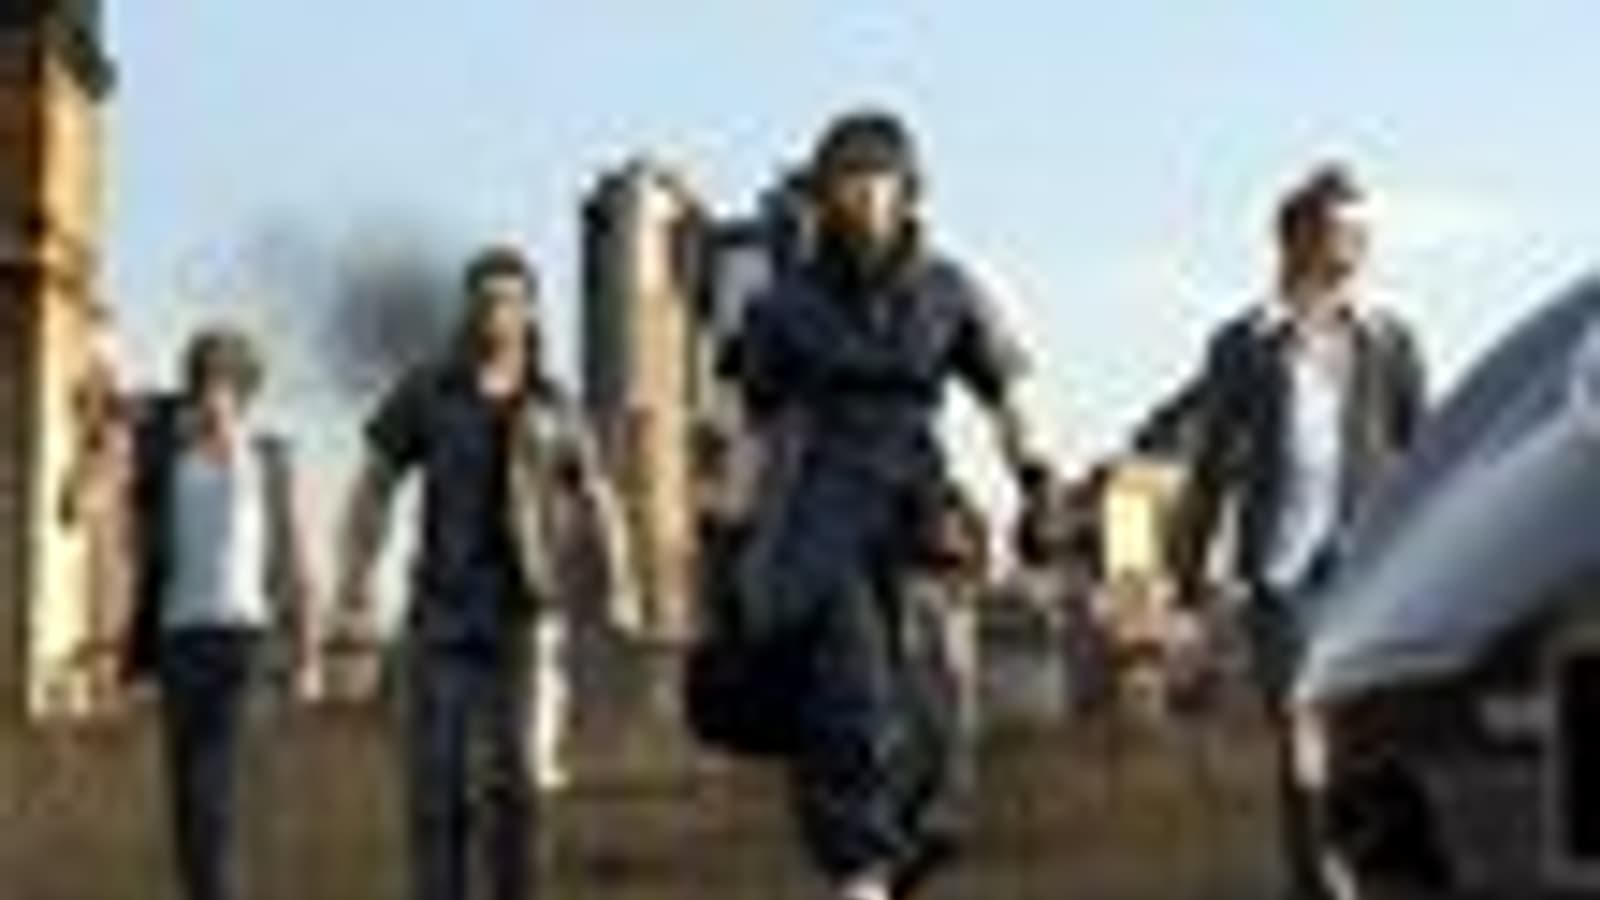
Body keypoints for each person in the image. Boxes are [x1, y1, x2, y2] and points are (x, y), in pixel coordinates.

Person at [727, 109, 1043, 900]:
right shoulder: (786, 304)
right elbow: (751, 427)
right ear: (826, 195)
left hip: (920, 505)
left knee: (941, 711)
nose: (866, 195)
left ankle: (903, 862)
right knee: (852, 695)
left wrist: (1036, 479)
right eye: (849, 180)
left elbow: (1004, 391)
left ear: (908, 191)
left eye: (880, 179)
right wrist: (730, 533)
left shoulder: (947, 289)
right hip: (822, 508)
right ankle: (858, 872)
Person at [334, 245, 633, 900]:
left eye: (509, 300)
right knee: (435, 787)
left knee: (519, 782)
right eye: (485, 300)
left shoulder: (553, 403)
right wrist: (355, 579)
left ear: (530, 313)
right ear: (467, 310)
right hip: (441, 612)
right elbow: (373, 485)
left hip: (524, 612)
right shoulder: (428, 390)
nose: (496, 313)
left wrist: (620, 585)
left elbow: (597, 496)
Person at [1169, 164, 1428, 899]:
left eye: (1362, 232)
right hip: (1280, 577)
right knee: (1301, 731)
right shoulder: (1245, 344)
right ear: (1294, 240)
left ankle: (1369, 873)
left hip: (1371, 568)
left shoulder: (1390, 341)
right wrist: (1187, 587)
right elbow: (1210, 470)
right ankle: (1320, 884)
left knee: (1367, 733)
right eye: (1341, 231)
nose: (1357, 245)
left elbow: (1424, 456)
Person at [121, 326, 315, 900]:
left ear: (243, 391)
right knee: (187, 801)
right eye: (201, 383)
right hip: (179, 640)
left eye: (221, 384)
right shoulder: (166, 460)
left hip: (243, 643)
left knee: (218, 792)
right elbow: (110, 508)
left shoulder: (268, 459)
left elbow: (292, 559)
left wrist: (305, 649)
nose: (210, 397)